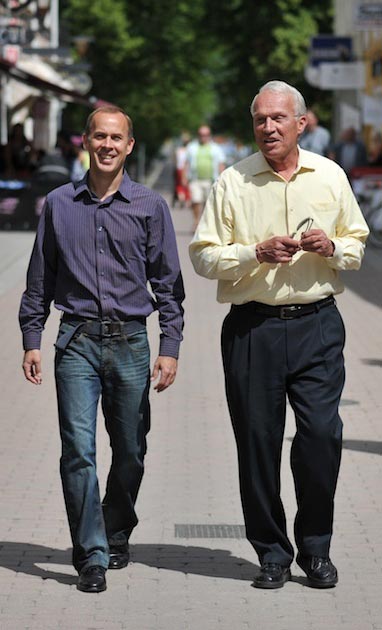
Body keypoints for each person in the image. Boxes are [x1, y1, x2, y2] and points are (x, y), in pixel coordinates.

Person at [189, 81, 369, 590]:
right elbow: (203, 256)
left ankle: (315, 549)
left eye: (277, 119)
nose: (268, 127)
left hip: (317, 324)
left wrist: (331, 245)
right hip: (253, 329)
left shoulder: (330, 176)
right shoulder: (233, 180)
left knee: (321, 437)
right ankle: (271, 552)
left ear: (300, 124)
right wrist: (253, 253)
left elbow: (356, 242)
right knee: (257, 443)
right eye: (260, 120)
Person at [19, 105, 185, 593]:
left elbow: (169, 285)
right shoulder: (58, 204)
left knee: (131, 449)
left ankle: (115, 529)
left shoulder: (150, 206)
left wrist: (169, 346)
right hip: (76, 342)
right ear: (86, 143)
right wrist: (33, 337)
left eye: (117, 137)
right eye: (100, 136)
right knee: (78, 451)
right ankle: (90, 553)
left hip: (132, 342)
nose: (108, 145)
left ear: (129, 146)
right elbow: (39, 279)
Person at [184, 125, 225, 230]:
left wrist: (221, 178)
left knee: (208, 203)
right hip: (195, 179)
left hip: (211, 180)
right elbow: (187, 163)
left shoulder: (216, 148)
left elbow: (221, 164)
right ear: (198, 135)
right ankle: (196, 221)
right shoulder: (192, 147)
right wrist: (184, 177)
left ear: (209, 135)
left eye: (206, 135)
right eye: (201, 135)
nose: (203, 137)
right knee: (196, 200)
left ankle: (205, 223)